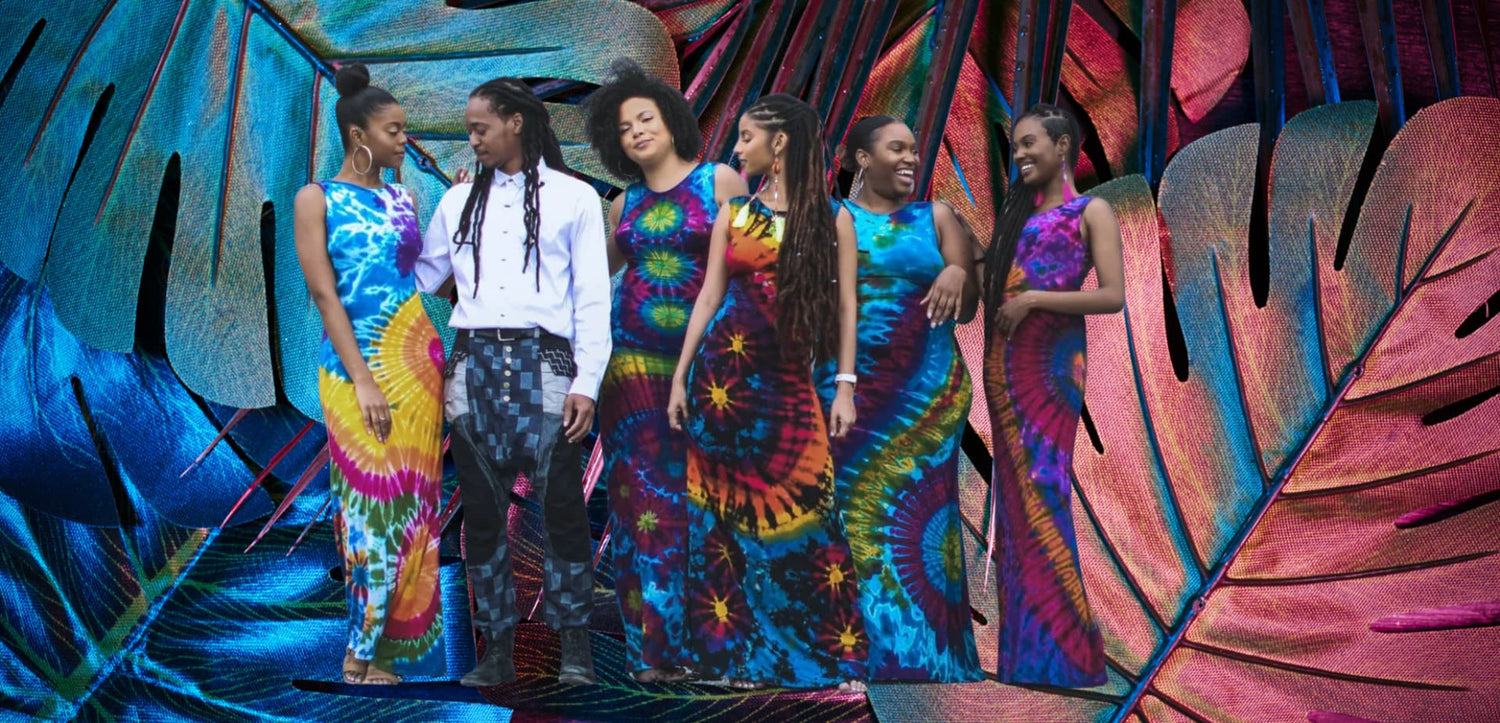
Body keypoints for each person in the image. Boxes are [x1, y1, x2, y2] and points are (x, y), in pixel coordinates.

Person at [415, 77, 611, 687]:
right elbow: (426, 278)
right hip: (474, 361)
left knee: (561, 509)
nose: (471, 139)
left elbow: (593, 300)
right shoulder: (457, 202)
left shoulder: (575, 197)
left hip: (546, 360)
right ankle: (495, 651)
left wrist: (587, 381)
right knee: (481, 512)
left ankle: (573, 650)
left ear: (517, 124)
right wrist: (416, 209)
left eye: (480, 128)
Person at [667, 93, 866, 691]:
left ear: (779, 144)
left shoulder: (833, 219)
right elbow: (708, 297)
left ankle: (832, 661)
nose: (737, 148)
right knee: (718, 525)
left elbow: (848, 308)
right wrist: (679, 377)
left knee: (809, 517)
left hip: (786, 388)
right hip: (719, 389)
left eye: (748, 136)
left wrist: (844, 387)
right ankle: (734, 661)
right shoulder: (733, 215)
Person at [583, 58, 748, 683]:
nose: (637, 133)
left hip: (710, 369)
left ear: (672, 121)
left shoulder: (721, 182)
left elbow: (755, 267)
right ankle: (654, 655)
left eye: (645, 118)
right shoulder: (623, 202)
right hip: (631, 373)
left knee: (709, 503)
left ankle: (714, 649)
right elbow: (593, 281)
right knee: (643, 506)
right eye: (624, 129)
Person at [293, 62, 446, 686]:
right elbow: (326, 296)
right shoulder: (315, 199)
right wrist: (362, 379)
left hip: (418, 366)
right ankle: (357, 652)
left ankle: (389, 654)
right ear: (360, 136)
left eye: (405, 130)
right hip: (357, 370)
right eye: (394, 131)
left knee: (414, 512)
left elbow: (418, 280)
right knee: (368, 510)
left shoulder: (403, 198)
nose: (403, 140)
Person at [818, 115, 984, 683]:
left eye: (914, 150)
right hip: (846, 396)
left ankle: (927, 667)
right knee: (850, 525)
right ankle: (847, 670)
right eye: (897, 149)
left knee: (918, 534)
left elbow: (967, 309)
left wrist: (959, 274)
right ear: (861, 159)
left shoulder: (934, 218)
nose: (911, 159)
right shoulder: (830, 221)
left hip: (924, 402)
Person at [981, 103, 1124, 687]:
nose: (1019, 155)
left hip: (1054, 362)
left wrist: (1037, 300)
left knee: (1046, 489)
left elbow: (1111, 296)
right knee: (1015, 505)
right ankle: (1025, 660)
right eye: (1015, 146)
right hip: (1005, 366)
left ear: (1063, 147)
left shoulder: (1092, 211)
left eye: (1029, 143)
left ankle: (1069, 655)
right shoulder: (1017, 217)